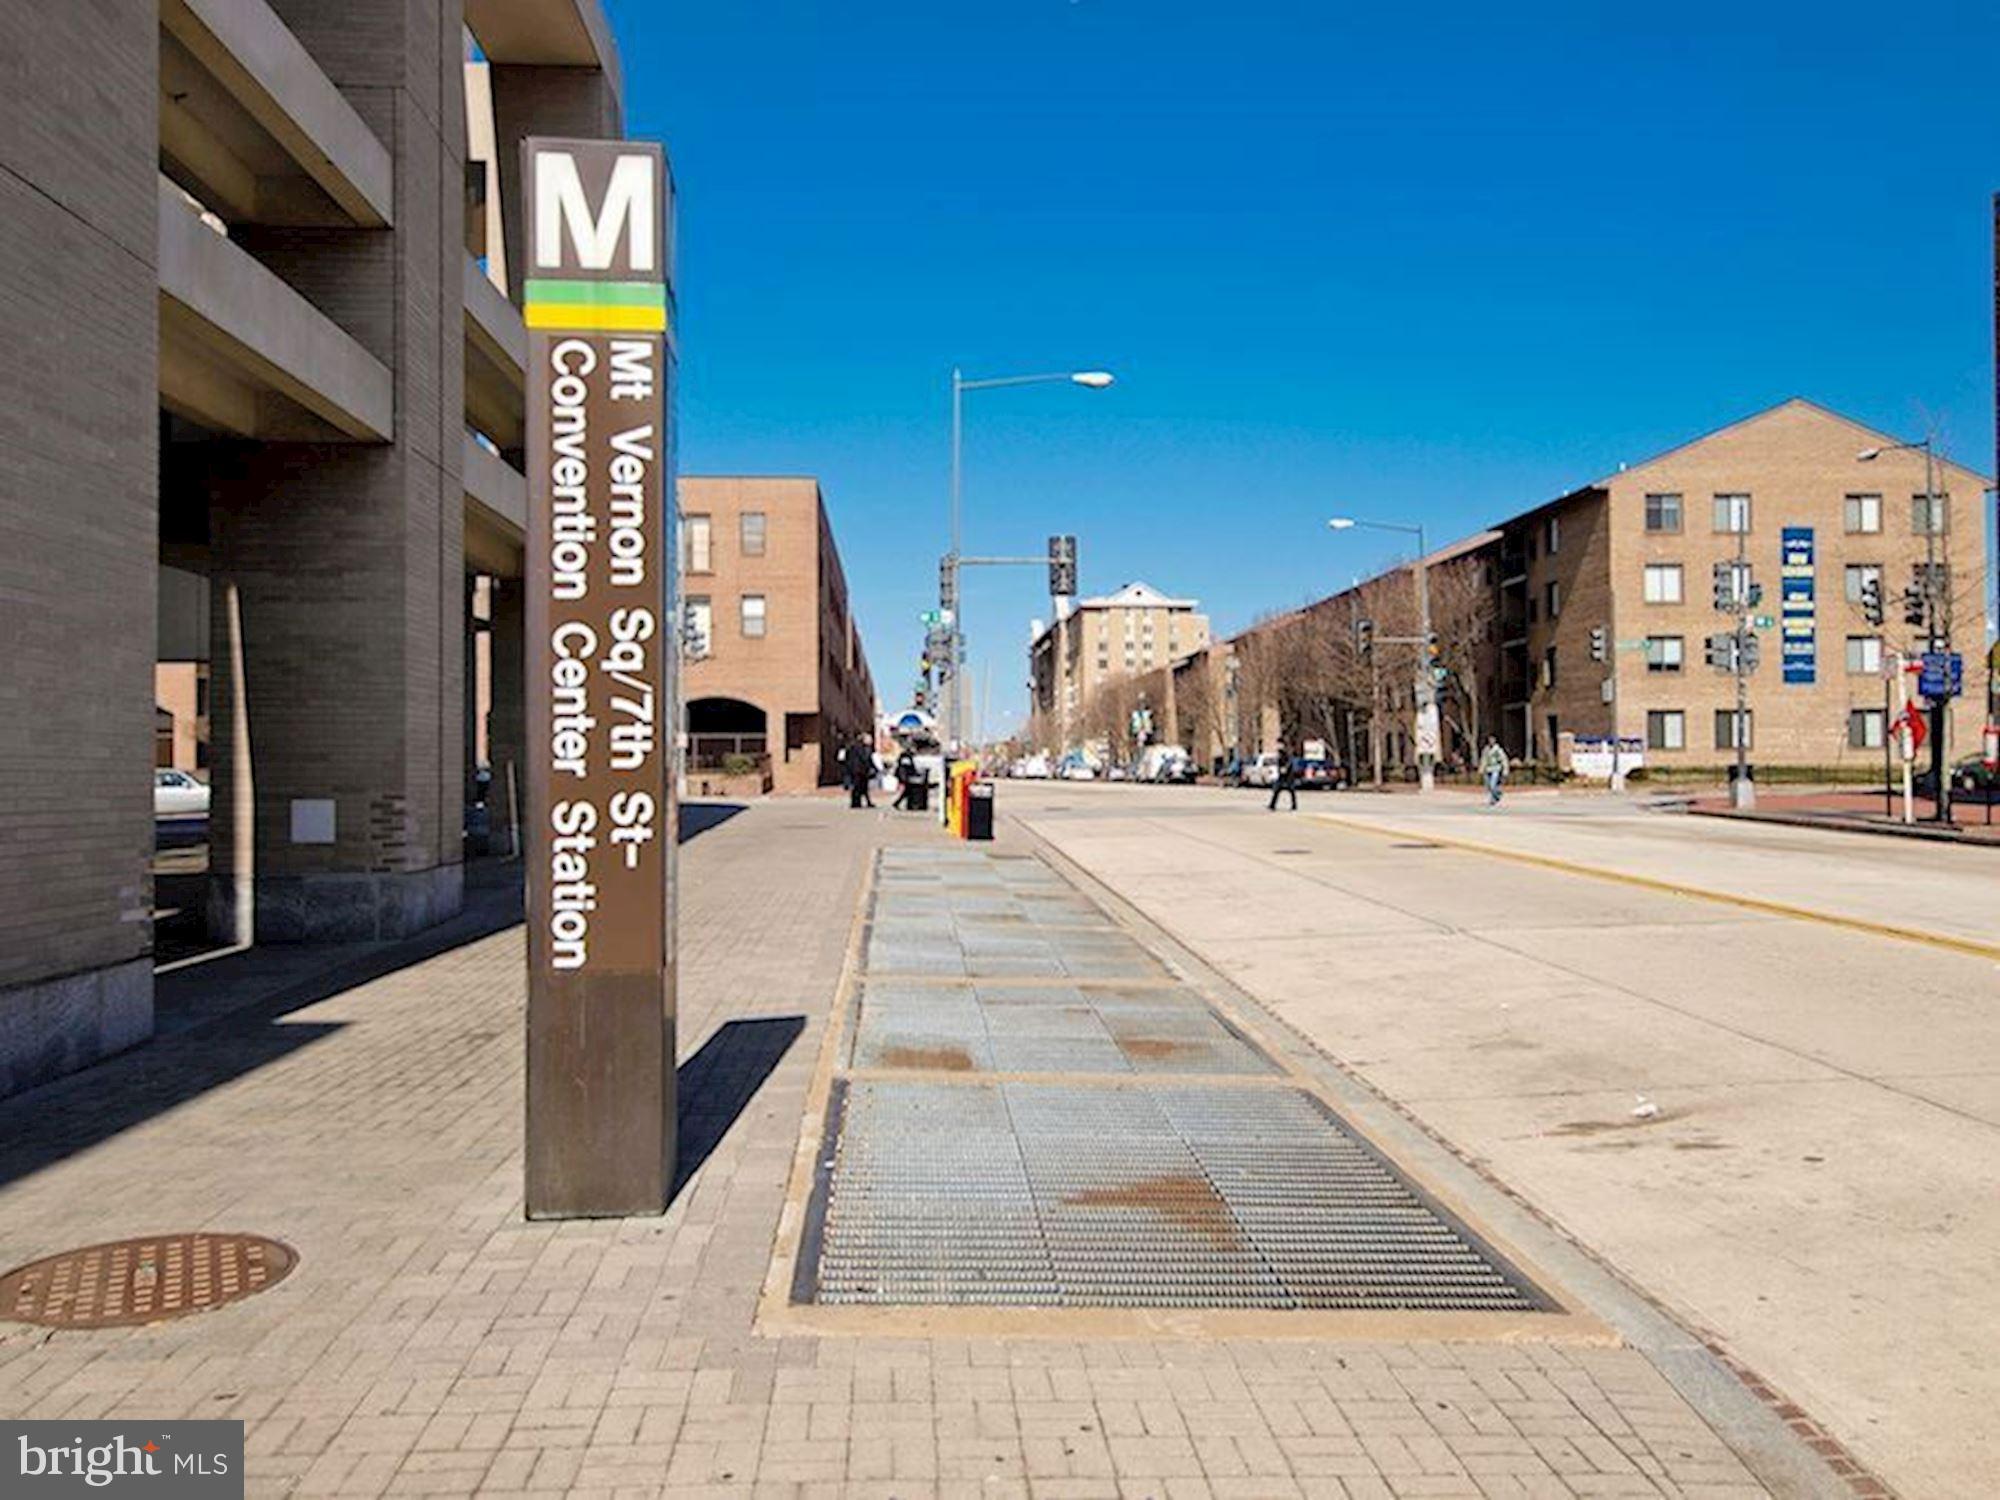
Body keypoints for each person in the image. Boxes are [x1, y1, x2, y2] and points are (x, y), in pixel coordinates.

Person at [1267, 740, 1297, 812]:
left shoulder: (1286, 752)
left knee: (1291, 790)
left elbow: (1289, 761)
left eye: (1279, 744)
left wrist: (1285, 768)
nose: (1278, 745)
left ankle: (1294, 805)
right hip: (1281, 775)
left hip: (1288, 775)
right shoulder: (1280, 753)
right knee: (1276, 790)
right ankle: (1272, 805)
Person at [847, 734, 876, 809]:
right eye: (869, 739)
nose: (871, 741)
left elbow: (869, 760)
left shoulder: (865, 748)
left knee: (864, 787)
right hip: (858, 770)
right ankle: (855, 803)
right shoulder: (859, 748)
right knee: (857, 787)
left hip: (862, 771)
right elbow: (864, 759)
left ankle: (866, 802)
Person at [1480, 737, 1509, 805]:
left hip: (1496, 769)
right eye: (1490, 740)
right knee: (1488, 786)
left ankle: (1497, 796)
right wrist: (1481, 768)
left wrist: (1505, 770)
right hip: (1488, 769)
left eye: (1492, 740)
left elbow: (1504, 759)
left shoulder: (1498, 750)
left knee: (1493, 784)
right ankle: (1495, 797)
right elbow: (1484, 759)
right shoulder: (1486, 750)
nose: (1491, 742)